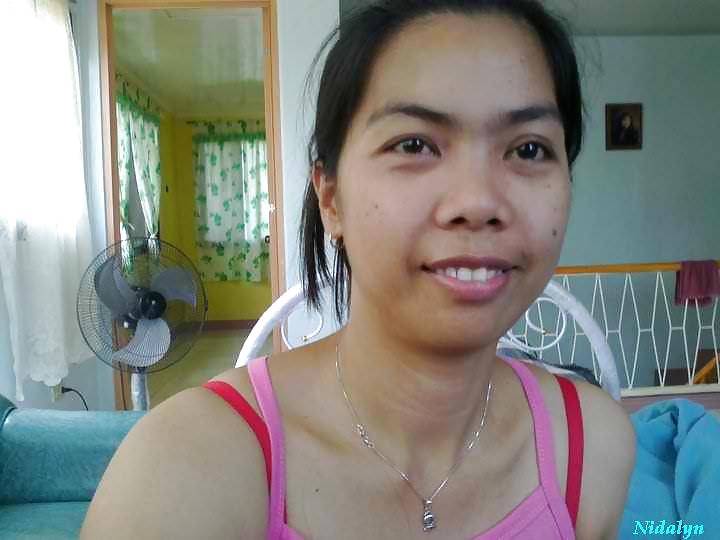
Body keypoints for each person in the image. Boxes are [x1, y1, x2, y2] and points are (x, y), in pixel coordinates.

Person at [81, 1, 636, 538]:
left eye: (529, 150)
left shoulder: (594, 449)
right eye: (413, 144)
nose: (478, 202)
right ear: (330, 198)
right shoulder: (186, 468)